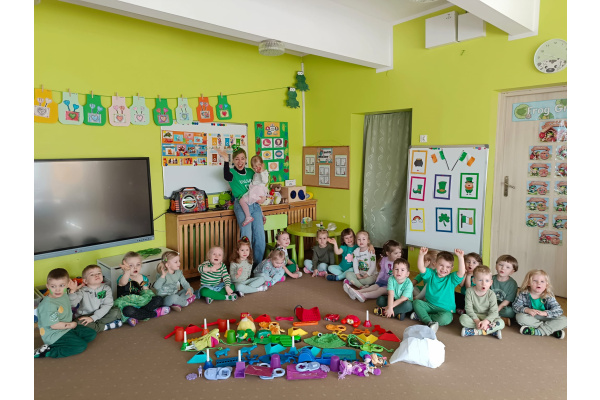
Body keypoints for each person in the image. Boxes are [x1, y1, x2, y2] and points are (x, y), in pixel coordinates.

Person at [217, 147, 266, 265]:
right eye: (237, 159)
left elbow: (260, 185)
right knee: (246, 238)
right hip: (242, 205)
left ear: (245, 160)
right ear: (233, 160)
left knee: (260, 237)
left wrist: (263, 199)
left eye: (243, 159)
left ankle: (257, 266)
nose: (240, 162)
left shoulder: (251, 171)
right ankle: (246, 267)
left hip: (255, 205)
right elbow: (226, 176)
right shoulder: (232, 173)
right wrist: (225, 159)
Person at [35, 268, 97, 358]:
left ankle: (70, 340)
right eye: (53, 286)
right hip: (54, 334)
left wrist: (73, 290)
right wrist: (71, 325)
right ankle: (48, 351)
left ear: (68, 284)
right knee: (81, 346)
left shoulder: (63, 294)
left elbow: (69, 304)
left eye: (61, 285)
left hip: (66, 327)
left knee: (91, 334)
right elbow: (54, 326)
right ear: (47, 286)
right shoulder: (49, 305)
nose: (57, 290)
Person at [410, 247, 466, 333]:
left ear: (451, 268)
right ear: (435, 264)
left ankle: (422, 317)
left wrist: (460, 257)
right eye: (441, 265)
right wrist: (421, 255)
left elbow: (461, 273)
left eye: (448, 267)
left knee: (446, 318)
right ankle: (428, 321)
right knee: (416, 303)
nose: (444, 269)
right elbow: (421, 268)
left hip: (445, 309)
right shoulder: (431, 274)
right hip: (429, 305)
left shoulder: (451, 279)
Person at [115, 251, 170, 327]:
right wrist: (127, 272)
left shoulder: (143, 278)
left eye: (138, 264)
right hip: (128, 304)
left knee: (159, 299)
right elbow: (123, 283)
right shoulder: (122, 278)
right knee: (128, 310)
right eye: (131, 265)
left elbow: (146, 291)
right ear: (125, 267)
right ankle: (154, 314)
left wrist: (147, 299)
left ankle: (137, 315)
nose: (135, 267)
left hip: (141, 303)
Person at [513, 269, 567, 338]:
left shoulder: (549, 295)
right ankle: (552, 329)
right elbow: (515, 306)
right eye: (535, 281)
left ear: (546, 284)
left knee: (565, 320)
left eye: (542, 281)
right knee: (520, 317)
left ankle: (538, 331)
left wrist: (545, 313)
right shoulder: (523, 294)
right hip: (532, 317)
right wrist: (526, 310)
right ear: (528, 283)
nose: (539, 283)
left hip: (547, 317)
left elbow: (558, 310)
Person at [68, 264, 122, 332]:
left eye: (99, 273)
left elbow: (107, 305)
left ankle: (95, 326)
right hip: (86, 316)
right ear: (85, 281)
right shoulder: (81, 291)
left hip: (101, 313)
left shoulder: (106, 288)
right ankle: (105, 326)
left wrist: (93, 318)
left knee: (116, 311)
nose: (96, 275)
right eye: (92, 274)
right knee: (78, 323)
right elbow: (72, 304)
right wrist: (72, 292)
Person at [459, 265, 505, 339]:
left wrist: (486, 321)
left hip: (487, 316)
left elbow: (494, 311)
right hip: (474, 316)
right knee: (463, 319)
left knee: (501, 323)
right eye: (480, 280)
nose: (483, 284)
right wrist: (477, 321)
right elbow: (468, 309)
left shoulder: (491, 294)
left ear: (491, 282)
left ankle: (476, 331)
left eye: (487, 281)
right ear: (474, 281)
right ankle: (491, 330)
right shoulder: (469, 291)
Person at [238, 155, 269, 227]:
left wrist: (261, 172)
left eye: (257, 167)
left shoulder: (264, 172)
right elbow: (254, 182)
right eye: (254, 168)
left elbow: (265, 181)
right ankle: (262, 215)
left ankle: (248, 217)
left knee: (242, 201)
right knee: (256, 203)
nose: (256, 169)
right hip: (255, 190)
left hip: (258, 191)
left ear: (262, 165)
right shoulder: (256, 173)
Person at [492, 254, 519, 327]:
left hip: (502, 307)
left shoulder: (512, 284)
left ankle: (493, 316)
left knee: (510, 312)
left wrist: (496, 310)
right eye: (500, 265)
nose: (503, 268)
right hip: (490, 305)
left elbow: (507, 301)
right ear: (496, 266)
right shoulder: (490, 279)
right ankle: (501, 319)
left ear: (512, 271)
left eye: (507, 267)